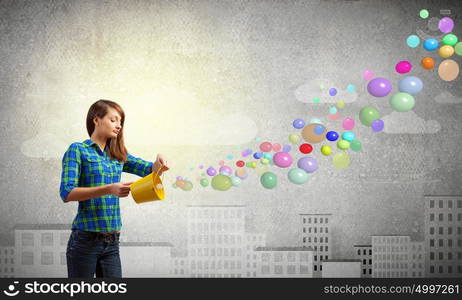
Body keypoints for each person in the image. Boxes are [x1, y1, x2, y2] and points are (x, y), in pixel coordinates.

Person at [59, 99, 169, 278]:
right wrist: (109, 188)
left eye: (120, 122)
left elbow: (150, 170)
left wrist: (160, 160)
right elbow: (67, 193)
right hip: (85, 240)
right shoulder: (78, 150)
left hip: (112, 242)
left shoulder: (117, 155)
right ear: (96, 120)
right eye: (113, 120)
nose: (118, 126)